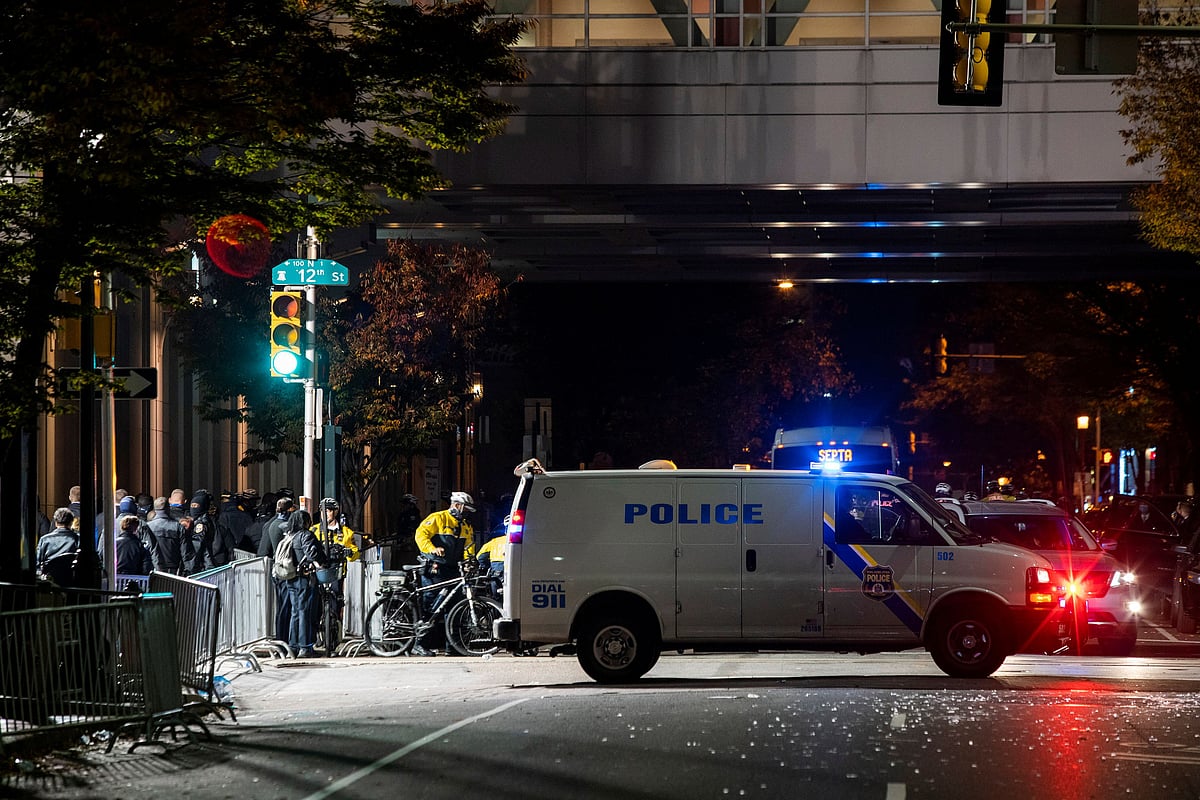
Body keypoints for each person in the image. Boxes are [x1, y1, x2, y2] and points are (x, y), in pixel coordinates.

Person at [412, 491, 477, 656]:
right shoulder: (438, 518)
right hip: (434, 567)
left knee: (454, 606)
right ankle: (419, 643)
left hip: (453, 569)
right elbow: (421, 535)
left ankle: (453, 646)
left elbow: (469, 546)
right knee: (433, 604)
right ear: (456, 505)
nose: (467, 513)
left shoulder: (465, 526)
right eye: (465, 509)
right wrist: (432, 549)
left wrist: (469, 561)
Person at [283, 509, 326, 658]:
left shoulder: (289, 535)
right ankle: (305, 647)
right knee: (305, 612)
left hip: (291, 577)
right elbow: (311, 553)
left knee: (295, 611)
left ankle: (293, 647)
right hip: (304, 578)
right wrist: (321, 563)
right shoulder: (305, 535)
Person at [259, 495, 297, 643]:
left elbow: (264, 550)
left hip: (277, 570)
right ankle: (284, 639)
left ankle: (282, 638)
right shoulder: (285, 526)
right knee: (286, 607)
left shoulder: (270, 524)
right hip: (286, 569)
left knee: (281, 606)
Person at [146, 496, 195, 575]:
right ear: (168, 508)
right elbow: (186, 552)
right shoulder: (177, 527)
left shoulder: (147, 527)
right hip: (174, 570)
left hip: (153, 568)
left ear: (155, 510)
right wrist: (190, 571)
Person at [36, 508, 81, 587]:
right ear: (71, 522)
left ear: (55, 522)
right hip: (71, 580)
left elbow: (38, 562)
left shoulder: (44, 540)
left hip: (50, 582)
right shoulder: (77, 539)